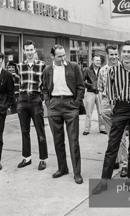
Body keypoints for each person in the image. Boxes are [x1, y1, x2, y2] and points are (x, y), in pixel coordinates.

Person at [92, 40, 130, 194]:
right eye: (123, 51)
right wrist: (114, 106)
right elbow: (109, 91)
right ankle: (104, 181)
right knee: (112, 146)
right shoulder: (113, 71)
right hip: (120, 108)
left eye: (129, 52)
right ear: (120, 53)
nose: (126, 54)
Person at [42, 45, 85, 184]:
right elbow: (44, 88)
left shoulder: (74, 67)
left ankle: (77, 173)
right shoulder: (48, 70)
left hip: (70, 105)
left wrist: (77, 102)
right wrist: (48, 102)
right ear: (52, 57)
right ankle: (62, 168)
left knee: (73, 141)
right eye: (59, 56)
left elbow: (80, 86)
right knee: (58, 140)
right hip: (54, 105)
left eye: (64, 55)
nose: (62, 58)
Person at [16, 40, 48, 170]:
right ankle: (27, 157)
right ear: (24, 51)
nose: (29, 52)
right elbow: (17, 84)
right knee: (24, 130)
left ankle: (43, 159)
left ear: (35, 51)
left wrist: (43, 99)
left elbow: (45, 84)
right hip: (23, 99)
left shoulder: (42, 65)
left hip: (36, 99)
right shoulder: (19, 66)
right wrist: (18, 98)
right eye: (27, 50)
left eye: (31, 50)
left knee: (40, 130)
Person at [98, 44, 128, 178]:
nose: (114, 57)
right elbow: (100, 88)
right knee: (111, 137)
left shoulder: (126, 69)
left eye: (116, 54)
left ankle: (124, 165)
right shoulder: (103, 70)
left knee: (121, 138)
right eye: (112, 54)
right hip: (106, 103)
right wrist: (101, 108)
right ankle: (115, 160)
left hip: (120, 104)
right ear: (107, 55)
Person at [82, 54, 105, 135]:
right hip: (90, 93)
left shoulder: (102, 70)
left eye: (99, 60)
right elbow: (82, 81)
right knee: (88, 113)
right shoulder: (87, 70)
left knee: (101, 112)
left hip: (99, 93)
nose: (98, 62)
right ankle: (86, 129)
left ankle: (102, 128)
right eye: (97, 60)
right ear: (92, 61)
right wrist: (90, 85)